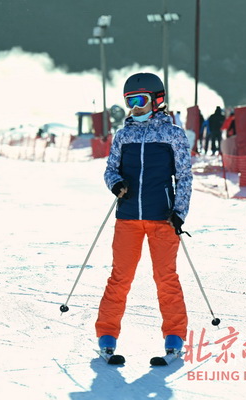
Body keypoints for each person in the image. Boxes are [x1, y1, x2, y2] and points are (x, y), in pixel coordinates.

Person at [95, 72, 192, 360]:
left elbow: (184, 176)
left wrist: (179, 212)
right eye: (129, 102)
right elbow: (110, 170)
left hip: (162, 218)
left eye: (140, 100)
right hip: (127, 218)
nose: (135, 108)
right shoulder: (123, 136)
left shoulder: (173, 134)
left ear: (157, 100)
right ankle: (107, 335)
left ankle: (174, 336)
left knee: (166, 278)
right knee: (120, 278)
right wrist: (116, 184)